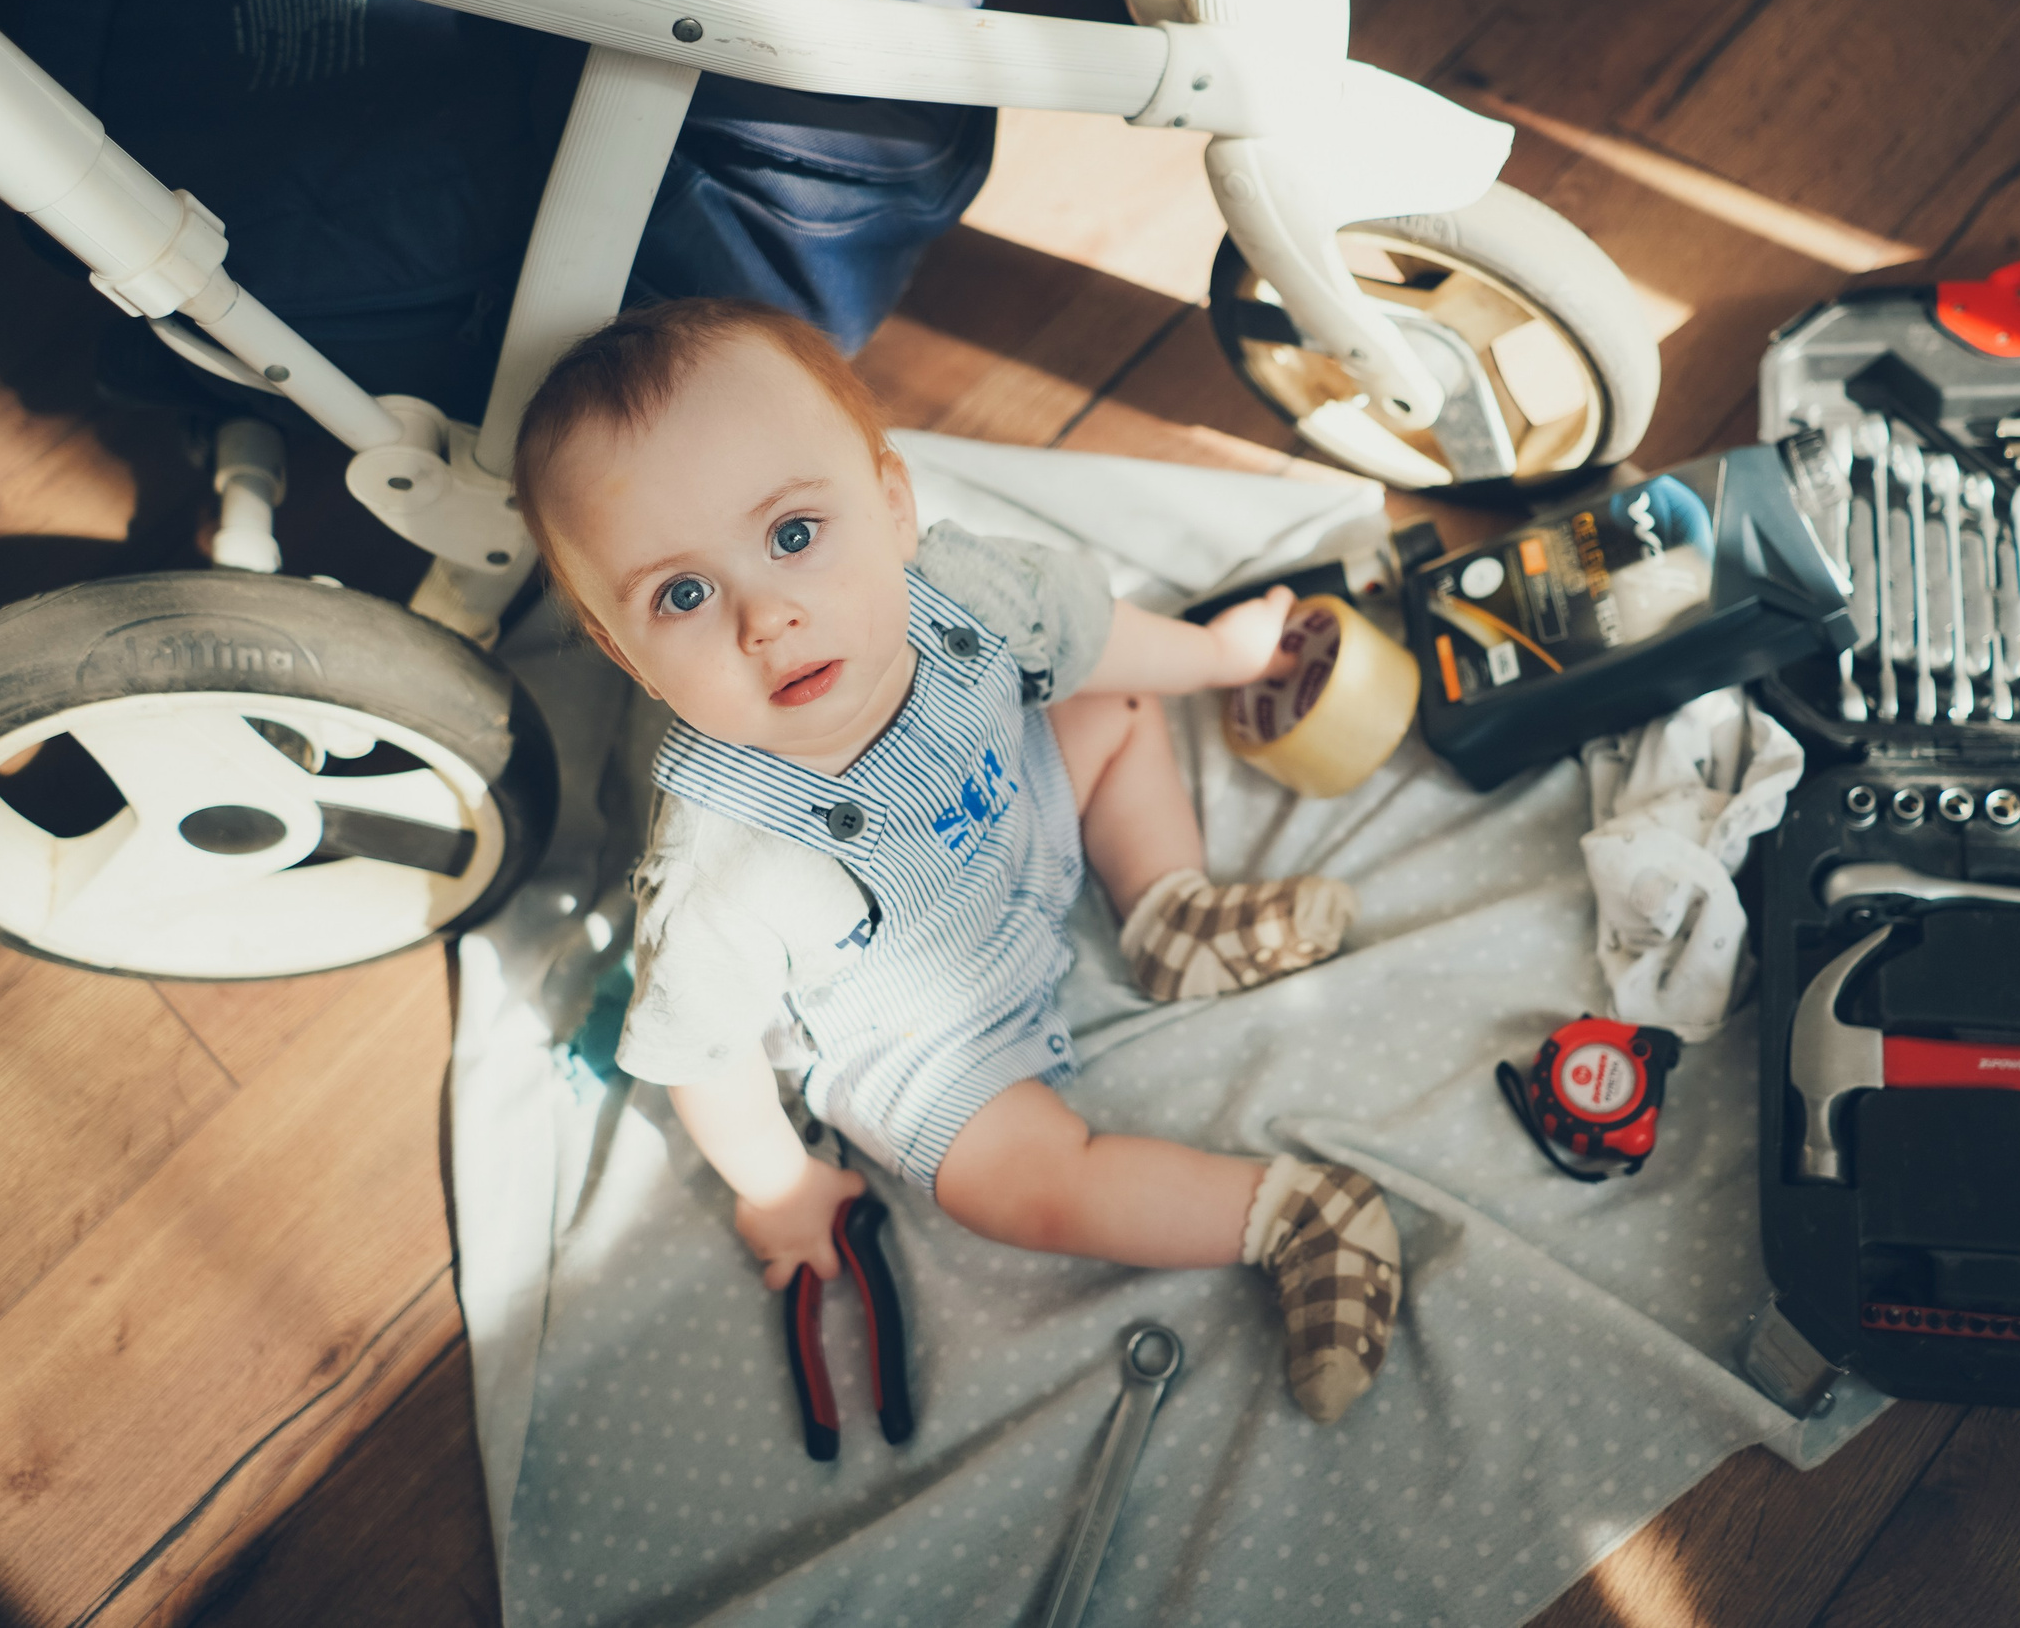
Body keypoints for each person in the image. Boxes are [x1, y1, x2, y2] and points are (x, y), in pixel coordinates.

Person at [510, 296, 1403, 1421]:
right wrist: (779, 1185)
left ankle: (1169, 910)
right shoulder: (722, 869)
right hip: (927, 1037)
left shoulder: (965, 596)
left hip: (1031, 842)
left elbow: (1095, 633)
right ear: (618, 646)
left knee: (1115, 701)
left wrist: (1220, 656)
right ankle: (1296, 1215)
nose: (766, 617)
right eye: (681, 595)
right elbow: (705, 1056)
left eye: (792, 535)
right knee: (1019, 1189)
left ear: (892, 508)